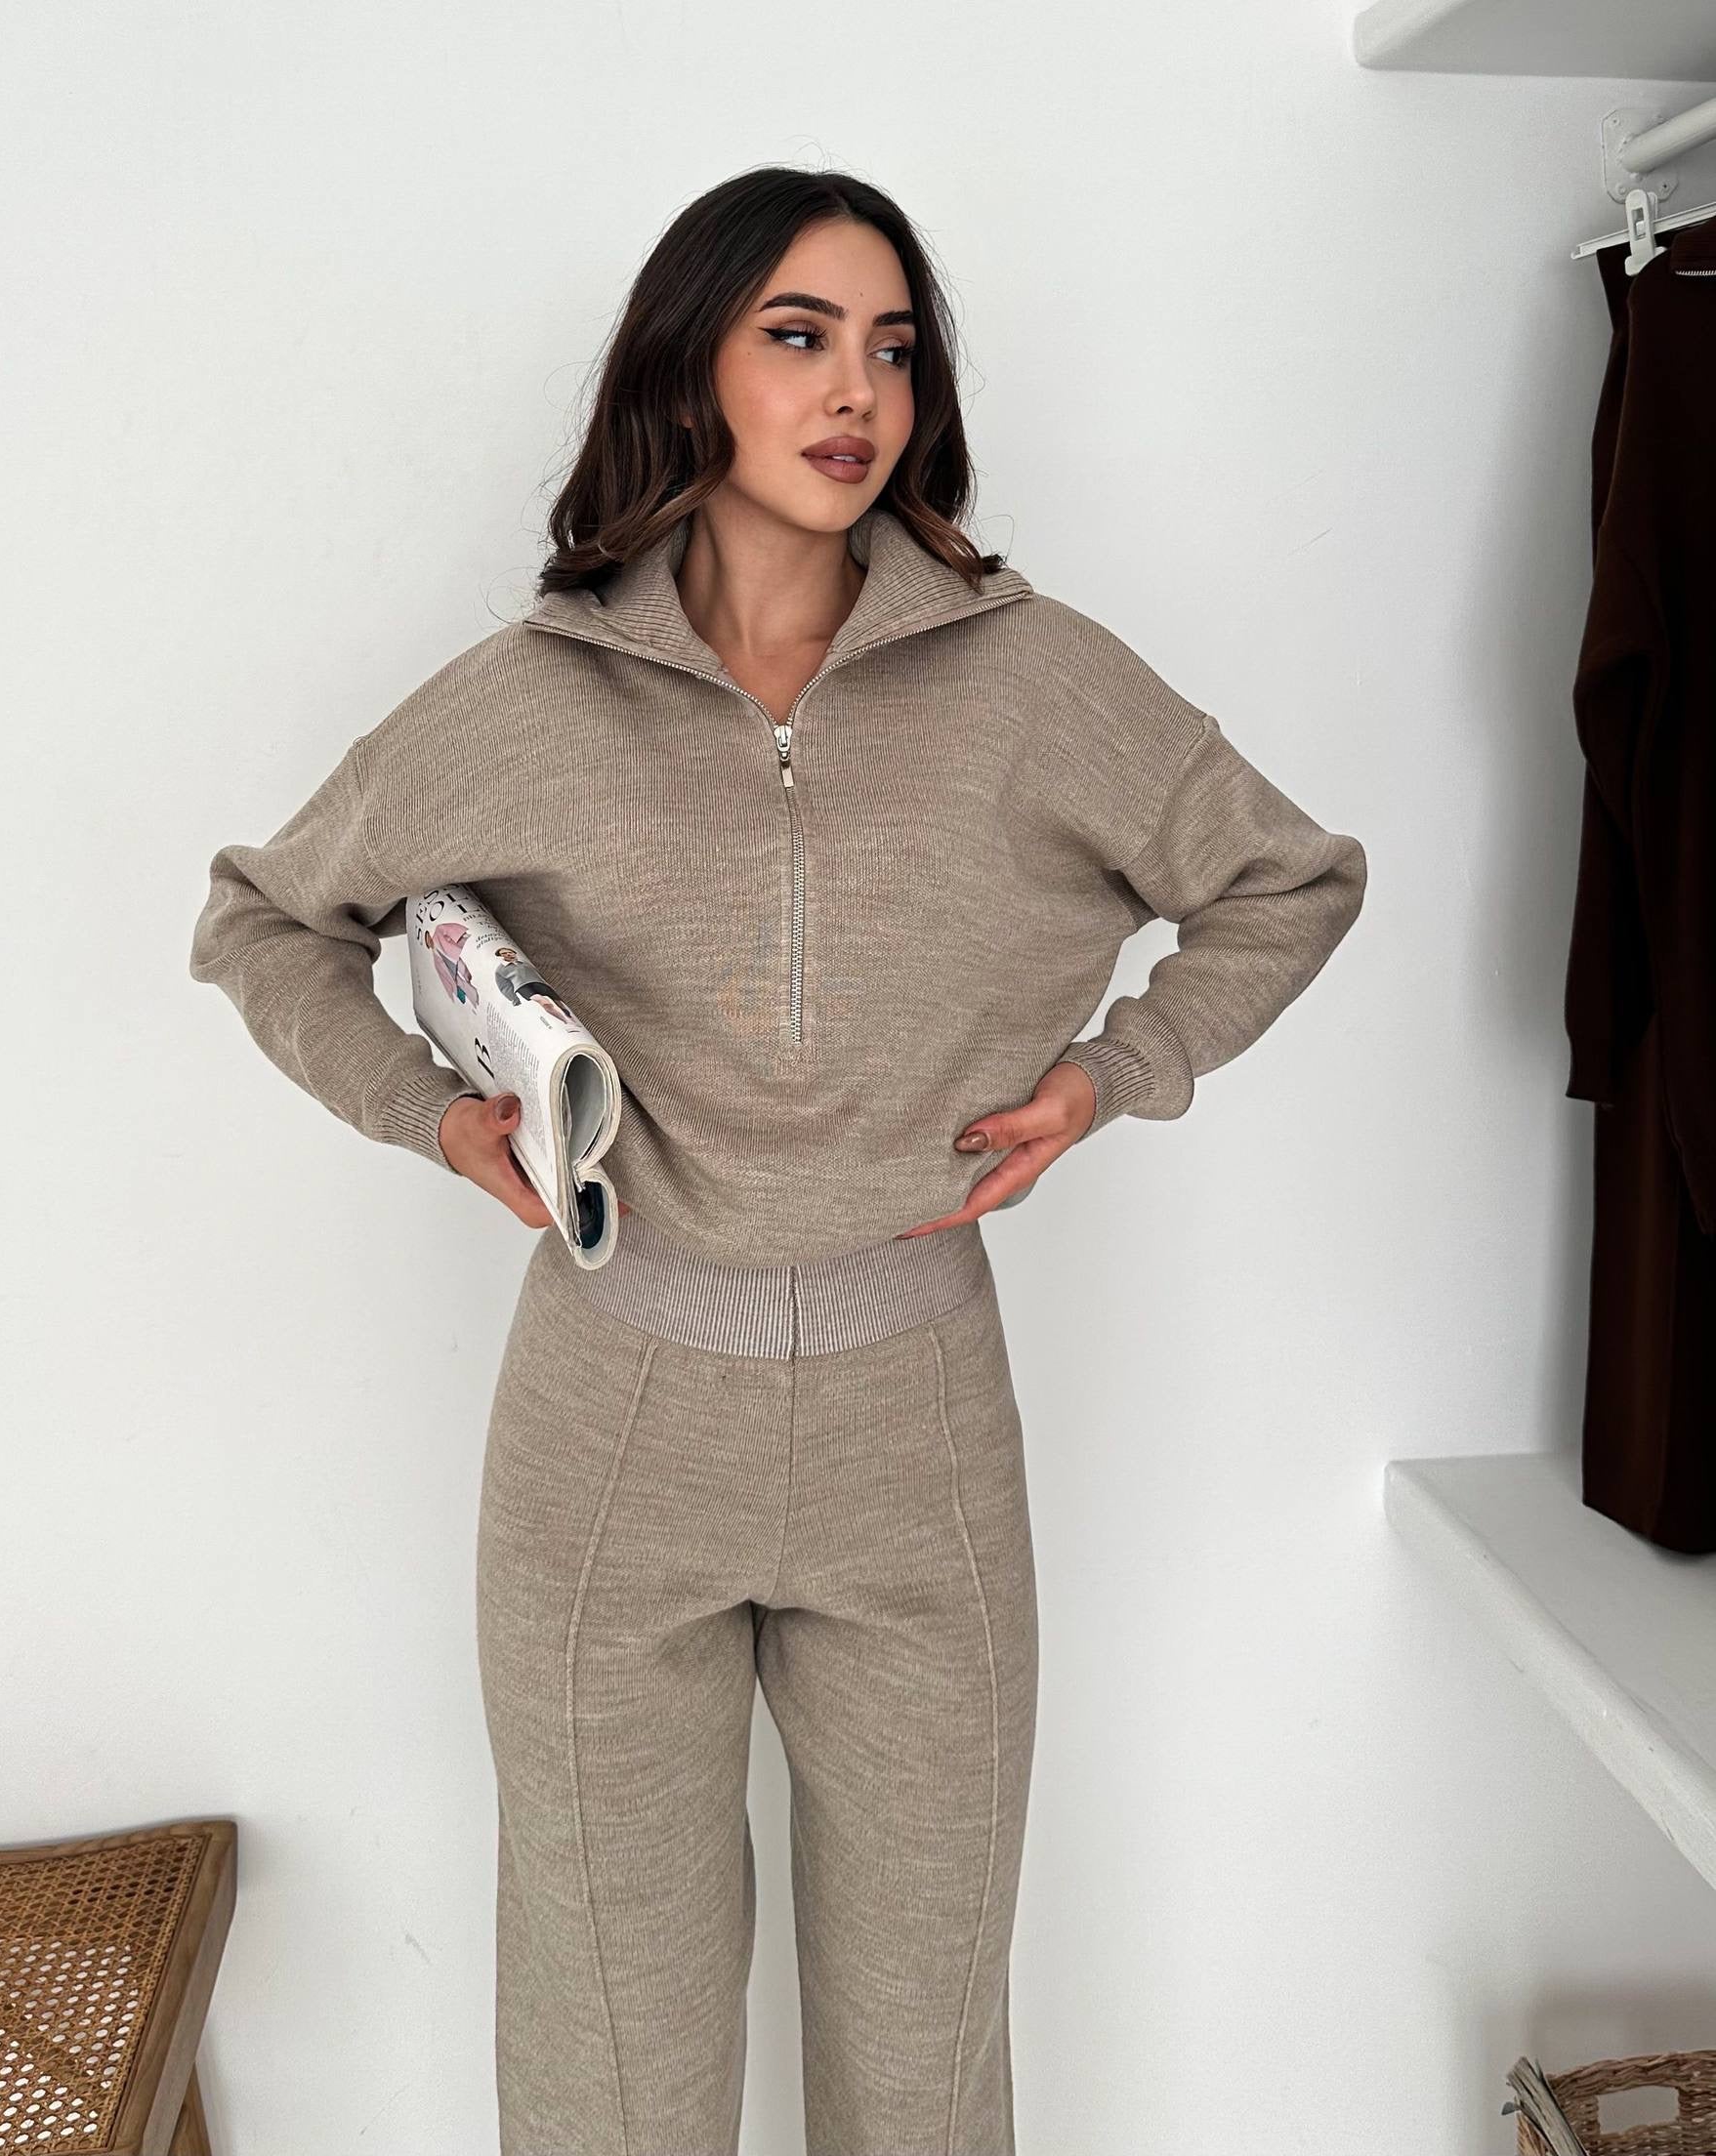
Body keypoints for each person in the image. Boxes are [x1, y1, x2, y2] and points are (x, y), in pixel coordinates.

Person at [189, 164, 1368, 2153]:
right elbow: (264, 916)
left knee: (924, 2060)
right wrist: (435, 1111)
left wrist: (1115, 1073)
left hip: (922, 1414)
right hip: (612, 1422)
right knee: (610, 2062)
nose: (857, 393)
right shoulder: (533, 698)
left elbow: (1289, 877)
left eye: (893, 348)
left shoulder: (1035, 679)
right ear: (691, 368)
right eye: (800, 336)